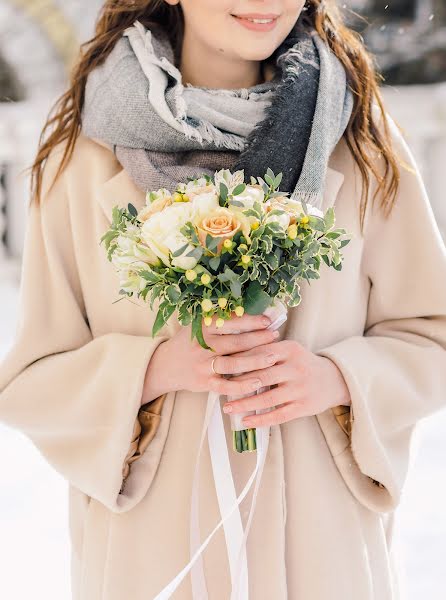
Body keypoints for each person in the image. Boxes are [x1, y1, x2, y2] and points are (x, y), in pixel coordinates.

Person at [1, 1, 446, 599]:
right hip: (157, 557)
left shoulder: (360, 136)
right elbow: (31, 380)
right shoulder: (81, 150)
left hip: (319, 552)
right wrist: (154, 369)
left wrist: (338, 379)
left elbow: (432, 333)